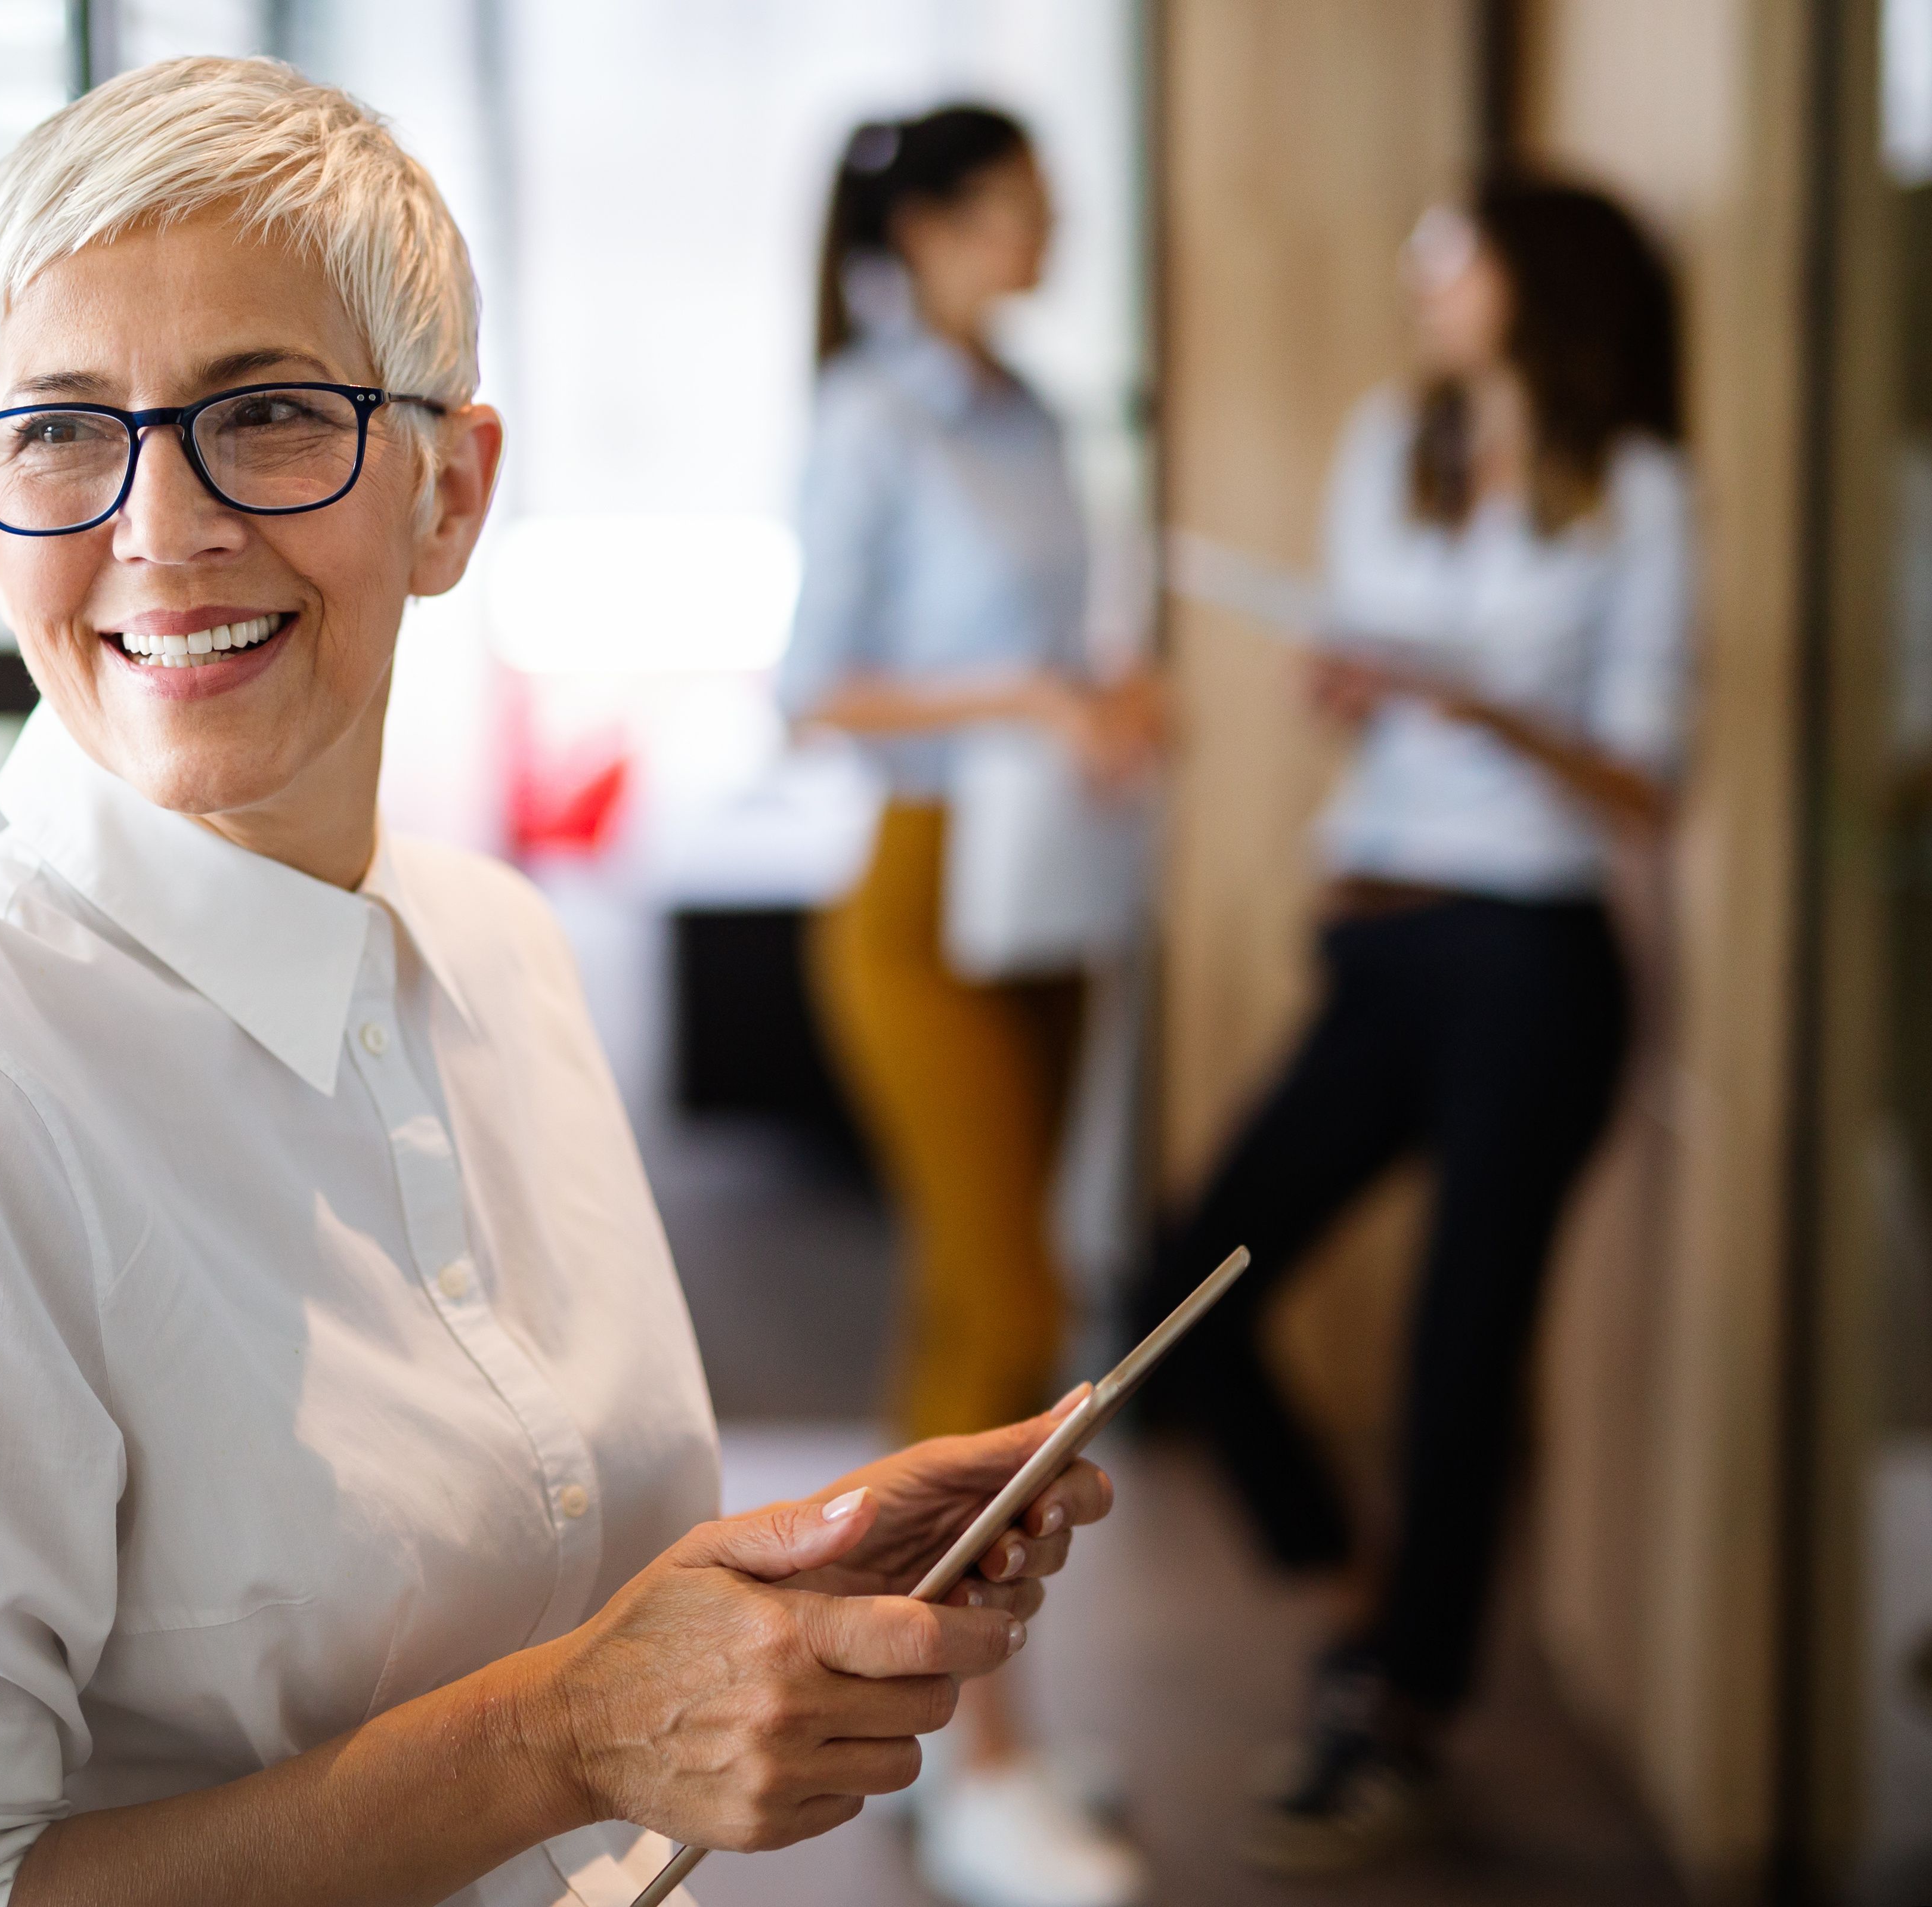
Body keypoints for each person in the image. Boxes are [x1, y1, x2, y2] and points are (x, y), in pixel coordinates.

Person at [0, 57, 1114, 1907]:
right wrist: (557, 1739)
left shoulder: (495, 949)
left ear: (451, 493)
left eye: (270, 414)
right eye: (63, 432)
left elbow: (536, 1586)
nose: (159, 529)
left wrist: (773, 1591)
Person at [1136, 176, 1691, 1872]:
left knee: (1458, 1358)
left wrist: (1478, 701)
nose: (1419, 279)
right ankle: (1353, 1607)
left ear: (1539, 279)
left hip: (1531, 959)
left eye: (1448, 253)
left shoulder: (1638, 492)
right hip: (1374, 937)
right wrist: (1357, 683)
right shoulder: (1396, 443)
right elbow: (1363, 668)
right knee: (1190, 1285)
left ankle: (1396, 1718)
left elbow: (1642, 778)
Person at [777, 106, 1157, 1907]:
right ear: (925, 229)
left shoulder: (1033, 410)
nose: (1045, 230)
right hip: (922, 896)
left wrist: (1099, 694)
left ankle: (944, 1733)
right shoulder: (873, 415)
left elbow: (1054, 648)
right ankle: (971, 1757)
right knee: (1001, 1303)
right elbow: (815, 695)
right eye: (1015, 205)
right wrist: (1017, 693)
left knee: (985, 1311)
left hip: (1050, 883)